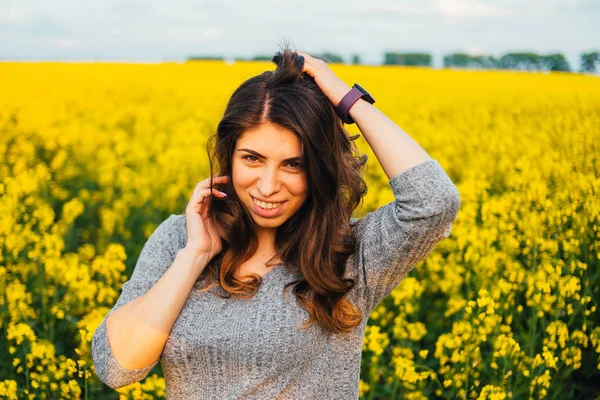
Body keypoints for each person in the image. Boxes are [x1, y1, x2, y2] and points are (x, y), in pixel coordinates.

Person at [91, 45, 461, 399]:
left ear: (319, 168)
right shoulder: (180, 238)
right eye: (252, 159)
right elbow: (118, 368)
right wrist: (195, 255)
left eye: (293, 164)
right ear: (229, 156)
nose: (268, 187)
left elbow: (434, 201)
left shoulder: (348, 254)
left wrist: (346, 99)